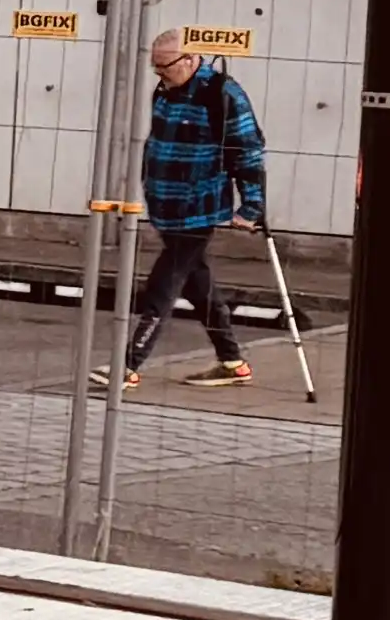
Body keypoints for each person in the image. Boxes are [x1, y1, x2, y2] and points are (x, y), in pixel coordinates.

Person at [106, 25, 269, 389]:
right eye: (156, 69)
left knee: (163, 285)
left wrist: (252, 206)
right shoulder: (164, 92)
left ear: (192, 58)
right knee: (199, 284)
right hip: (165, 204)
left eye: (165, 67)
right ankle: (232, 361)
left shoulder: (223, 94)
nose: (160, 76)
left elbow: (248, 150)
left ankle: (128, 365)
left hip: (200, 205)